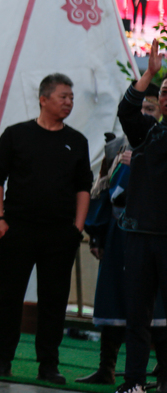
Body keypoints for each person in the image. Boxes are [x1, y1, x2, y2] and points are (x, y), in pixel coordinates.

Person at [0, 74, 91, 384]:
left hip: (60, 234)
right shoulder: (16, 135)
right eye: (63, 96)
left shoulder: (77, 141)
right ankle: (1, 359)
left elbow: (84, 187)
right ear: (44, 99)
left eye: (71, 97)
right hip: (17, 229)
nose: (69, 102)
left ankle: (49, 364)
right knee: (9, 297)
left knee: (54, 300)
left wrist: (77, 228)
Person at [80, 131, 167, 387]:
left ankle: (164, 375)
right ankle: (106, 368)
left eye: (150, 109)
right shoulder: (116, 145)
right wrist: (96, 233)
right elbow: (104, 187)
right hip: (120, 233)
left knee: (158, 306)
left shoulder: (157, 144)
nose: (144, 113)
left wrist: (140, 161)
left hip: (157, 233)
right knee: (114, 297)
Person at [115, 39, 167, 393]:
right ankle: (133, 382)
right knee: (137, 315)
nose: (166, 95)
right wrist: (149, 73)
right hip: (138, 235)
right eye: (164, 90)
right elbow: (127, 111)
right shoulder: (150, 131)